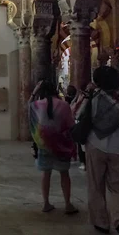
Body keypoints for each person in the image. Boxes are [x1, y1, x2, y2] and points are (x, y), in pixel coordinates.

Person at [77, 66, 119, 235]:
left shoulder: (92, 97)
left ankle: (101, 222)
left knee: (96, 185)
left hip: (95, 144)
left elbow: (79, 114)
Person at [29, 80, 78, 214]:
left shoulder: (38, 105)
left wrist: (34, 92)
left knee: (46, 173)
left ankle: (46, 203)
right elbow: (70, 125)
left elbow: (29, 106)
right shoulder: (64, 105)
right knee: (64, 173)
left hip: (45, 145)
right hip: (62, 144)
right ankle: (68, 204)